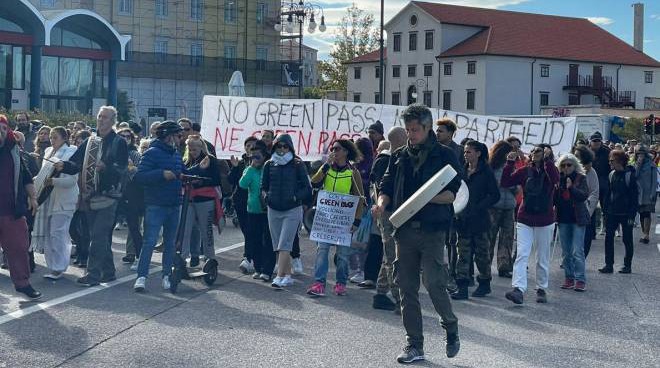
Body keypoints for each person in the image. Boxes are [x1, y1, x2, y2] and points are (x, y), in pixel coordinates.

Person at [373, 104, 461, 363]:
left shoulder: (445, 155)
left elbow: (452, 194)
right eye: (408, 130)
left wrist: (425, 198)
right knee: (405, 287)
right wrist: (381, 203)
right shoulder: (398, 155)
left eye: (415, 130)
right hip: (403, 230)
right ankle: (414, 344)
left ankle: (450, 326)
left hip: (432, 229)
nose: (411, 134)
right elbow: (386, 184)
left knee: (434, 282)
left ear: (427, 127)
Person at [55, 106, 129, 287]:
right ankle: (109, 272)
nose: (101, 120)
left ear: (113, 121)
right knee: (99, 236)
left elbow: (123, 169)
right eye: (99, 116)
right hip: (89, 195)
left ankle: (93, 275)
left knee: (98, 235)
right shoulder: (89, 141)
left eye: (105, 117)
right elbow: (75, 162)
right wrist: (63, 166)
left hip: (109, 196)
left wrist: (107, 168)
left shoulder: (119, 142)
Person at [133, 121, 205, 291]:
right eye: (178, 135)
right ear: (167, 136)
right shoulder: (152, 153)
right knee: (150, 241)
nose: (180, 139)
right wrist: (161, 174)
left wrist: (198, 172)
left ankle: (166, 275)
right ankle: (141, 277)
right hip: (156, 204)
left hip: (174, 203)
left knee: (171, 243)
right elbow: (140, 176)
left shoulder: (175, 154)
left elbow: (181, 173)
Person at [501, 144, 559, 305]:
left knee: (542, 256)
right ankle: (518, 289)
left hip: (545, 220)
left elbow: (555, 180)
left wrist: (547, 161)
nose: (534, 153)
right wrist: (509, 163)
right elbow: (505, 182)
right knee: (522, 254)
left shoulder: (550, 169)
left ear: (547, 154)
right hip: (525, 218)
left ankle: (541, 288)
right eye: (532, 151)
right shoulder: (525, 170)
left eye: (538, 151)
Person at [307, 139, 365, 297]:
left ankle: (340, 283)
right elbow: (314, 182)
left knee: (342, 255)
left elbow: (360, 197)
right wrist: (325, 166)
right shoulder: (327, 169)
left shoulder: (353, 172)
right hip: (325, 219)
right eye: (333, 148)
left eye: (337, 148)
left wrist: (357, 220)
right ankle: (319, 283)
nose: (334, 151)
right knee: (322, 250)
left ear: (346, 152)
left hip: (344, 220)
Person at [261, 134, 312, 289]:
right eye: (279, 146)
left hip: (292, 209)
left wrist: (296, 197)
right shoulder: (269, 164)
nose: (282, 149)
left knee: (285, 244)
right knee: (278, 244)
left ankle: (279, 276)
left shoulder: (297, 164)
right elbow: (264, 186)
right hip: (273, 208)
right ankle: (288, 275)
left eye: (285, 146)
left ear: (290, 147)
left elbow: (307, 188)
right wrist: (266, 198)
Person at [452, 141, 500, 300]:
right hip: (463, 220)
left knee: (482, 255)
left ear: (478, 153)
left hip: (480, 221)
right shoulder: (461, 171)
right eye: (465, 152)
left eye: (469, 152)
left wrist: (479, 207)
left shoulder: (486, 172)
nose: (466, 155)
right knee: (463, 254)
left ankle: (484, 283)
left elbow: (495, 195)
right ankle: (462, 287)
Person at [0, 114, 41, 299]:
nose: (0, 133)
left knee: (19, 247)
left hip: (11, 210)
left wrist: (33, 197)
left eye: (2, 129)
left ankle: (23, 284)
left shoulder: (14, 149)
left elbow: (25, 175)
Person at [31, 127, 79, 280]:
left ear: (65, 138)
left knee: (58, 233)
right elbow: (42, 175)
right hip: (47, 200)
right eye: (51, 137)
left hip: (64, 200)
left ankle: (59, 267)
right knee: (49, 235)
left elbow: (72, 180)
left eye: (55, 137)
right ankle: (52, 267)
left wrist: (53, 181)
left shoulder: (72, 151)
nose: (52, 139)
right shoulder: (48, 152)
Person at [372, 127, 407, 312]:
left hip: (395, 212)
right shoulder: (386, 160)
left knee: (389, 256)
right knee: (393, 257)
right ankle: (399, 299)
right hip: (389, 213)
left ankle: (380, 292)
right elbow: (384, 188)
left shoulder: (395, 158)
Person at [181, 135, 222, 267]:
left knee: (206, 230)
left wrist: (200, 180)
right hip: (189, 199)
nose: (193, 152)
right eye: (190, 149)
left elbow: (216, 180)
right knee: (185, 229)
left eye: (195, 149)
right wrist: (198, 171)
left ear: (201, 147)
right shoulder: (187, 161)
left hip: (205, 199)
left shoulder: (210, 160)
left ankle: (210, 258)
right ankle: (182, 257)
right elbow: (184, 174)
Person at [239, 140, 275, 281]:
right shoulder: (250, 169)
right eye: (252, 157)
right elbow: (242, 184)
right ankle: (258, 267)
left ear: (265, 156)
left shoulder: (270, 168)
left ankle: (267, 270)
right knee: (254, 240)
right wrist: (250, 168)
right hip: (252, 210)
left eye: (257, 157)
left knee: (268, 241)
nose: (254, 160)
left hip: (266, 211)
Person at [599, 150, 638, 274]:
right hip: (612, 213)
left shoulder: (629, 175)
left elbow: (634, 197)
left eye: (612, 160)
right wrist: (605, 211)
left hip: (626, 213)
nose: (610, 163)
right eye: (609, 160)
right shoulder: (611, 175)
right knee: (608, 238)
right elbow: (608, 194)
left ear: (620, 161)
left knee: (627, 240)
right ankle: (608, 265)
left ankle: (627, 265)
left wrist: (632, 214)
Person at [555, 154, 590, 292]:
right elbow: (555, 199)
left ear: (575, 165)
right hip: (563, 218)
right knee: (566, 251)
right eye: (563, 165)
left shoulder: (581, 178)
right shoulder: (558, 179)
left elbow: (584, 195)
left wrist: (571, 188)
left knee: (577, 251)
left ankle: (580, 280)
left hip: (578, 219)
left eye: (569, 165)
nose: (566, 167)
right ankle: (569, 278)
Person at [360, 140, 390, 290]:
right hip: (382, 208)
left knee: (378, 246)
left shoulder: (382, 161)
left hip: (383, 210)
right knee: (378, 246)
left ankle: (373, 278)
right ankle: (374, 278)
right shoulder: (387, 161)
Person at [488, 140, 516, 278]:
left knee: (507, 237)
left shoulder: (511, 167)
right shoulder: (491, 167)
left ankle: (504, 266)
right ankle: (485, 264)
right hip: (494, 207)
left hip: (509, 206)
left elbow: (515, 186)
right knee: (490, 236)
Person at [116, 128, 144, 269]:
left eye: (128, 136)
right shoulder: (113, 152)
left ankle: (136, 254)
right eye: (122, 136)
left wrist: (132, 169)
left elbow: (140, 173)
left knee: (134, 226)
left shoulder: (134, 154)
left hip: (131, 194)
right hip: (114, 192)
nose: (125, 138)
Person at [230, 136, 258, 274]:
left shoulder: (261, 163)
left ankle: (248, 258)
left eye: (253, 146)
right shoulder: (240, 163)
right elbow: (232, 181)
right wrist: (235, 168)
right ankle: (251, 257)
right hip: (241, 203)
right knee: (247, 231)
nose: (250, 148)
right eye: (248, 146)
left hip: (255, 203)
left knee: (252, 231)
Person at [349, 137, 374, 284]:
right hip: (351, 206)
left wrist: (357, 179)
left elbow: (370, 185)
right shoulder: (352, 165)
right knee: (350, 241)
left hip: (365, 207)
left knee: (362, 243)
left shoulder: (370, 164)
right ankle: (353, 269)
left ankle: (361, 271)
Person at [69, 129, 92, 268]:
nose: (79, 143)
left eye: (82, 141)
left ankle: (84, 255)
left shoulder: (91, 158)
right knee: (72, 228)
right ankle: (79, 249)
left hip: (85, 196)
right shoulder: (74, 155)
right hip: (73, 196)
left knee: (85, 229)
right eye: (77, 140)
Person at [573, 145, 599, 258]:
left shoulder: (591, 172)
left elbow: (594, 192)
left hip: (586, 209)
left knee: (585, 236)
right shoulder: (571, 168)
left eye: (578, 156)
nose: (575, 157)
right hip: (571, 207)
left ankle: (581, 257)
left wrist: (588, 209)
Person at [634, 145, 656, 244]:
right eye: (639, 154)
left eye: (642, 153)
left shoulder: (651, 164)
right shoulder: (636, 164)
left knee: (647, 212)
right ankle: (644, 233)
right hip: (639, 193)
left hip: (648, 192)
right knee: (642, 213)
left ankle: (647, 234)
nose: (640, 156)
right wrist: (638, 165)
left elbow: (654, 180)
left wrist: (653, 193)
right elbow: (635, 176)